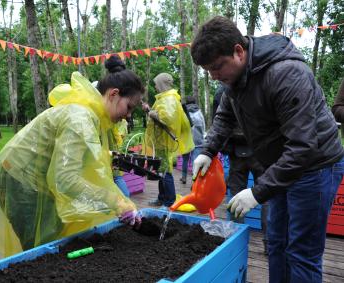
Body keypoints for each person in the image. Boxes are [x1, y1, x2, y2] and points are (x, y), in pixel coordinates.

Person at [190, 16, 344, 283]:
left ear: (239, 51)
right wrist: (208, 150)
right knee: (275, 242)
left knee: (301, 252)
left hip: (315, 167)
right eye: (208, 71)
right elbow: (225, 116)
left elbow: (303, 147)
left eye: (217, 67)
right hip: (281, 165)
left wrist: (258, 191)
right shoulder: (234, 79)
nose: (214, 76)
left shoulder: (286, 74)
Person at [0, 55, 145, 256]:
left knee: (52, 239)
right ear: (114, 94)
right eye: (129, 107)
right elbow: (65, 179)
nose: (128, 115)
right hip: (21, 184)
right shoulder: (80, 119)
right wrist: (115, 201)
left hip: (31, 182)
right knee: (43, 251)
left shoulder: (86, 111)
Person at [213, 85, 268, 254]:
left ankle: (235, 241)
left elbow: (217, 122)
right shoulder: (259, 86)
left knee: (236, 195)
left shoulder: (222, 91)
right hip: (259, 150)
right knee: (267, 196)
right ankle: (269, 243)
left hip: (238, 152)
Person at [144, 73, 194, 207]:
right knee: (161, 170)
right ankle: (162, 198)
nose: (155, 86)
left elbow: (168, 119)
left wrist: (152, 113)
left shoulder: (169, 98)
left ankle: (169, 201)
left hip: (165, 142)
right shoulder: (164, 98)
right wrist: (150, 111)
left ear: (161, 83)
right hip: (161, 141)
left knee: (166, 172)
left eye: (156, 83)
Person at [179, 96, 206, 185]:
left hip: (186, 140)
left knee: (185, 160)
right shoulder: (199, 112)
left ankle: (183, 177)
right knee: (196, 161)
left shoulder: (184, 112)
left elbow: (181, 126)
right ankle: (195, 181)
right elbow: (203, 125)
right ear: (195, 102)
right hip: (198, 140)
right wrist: (203, 135)